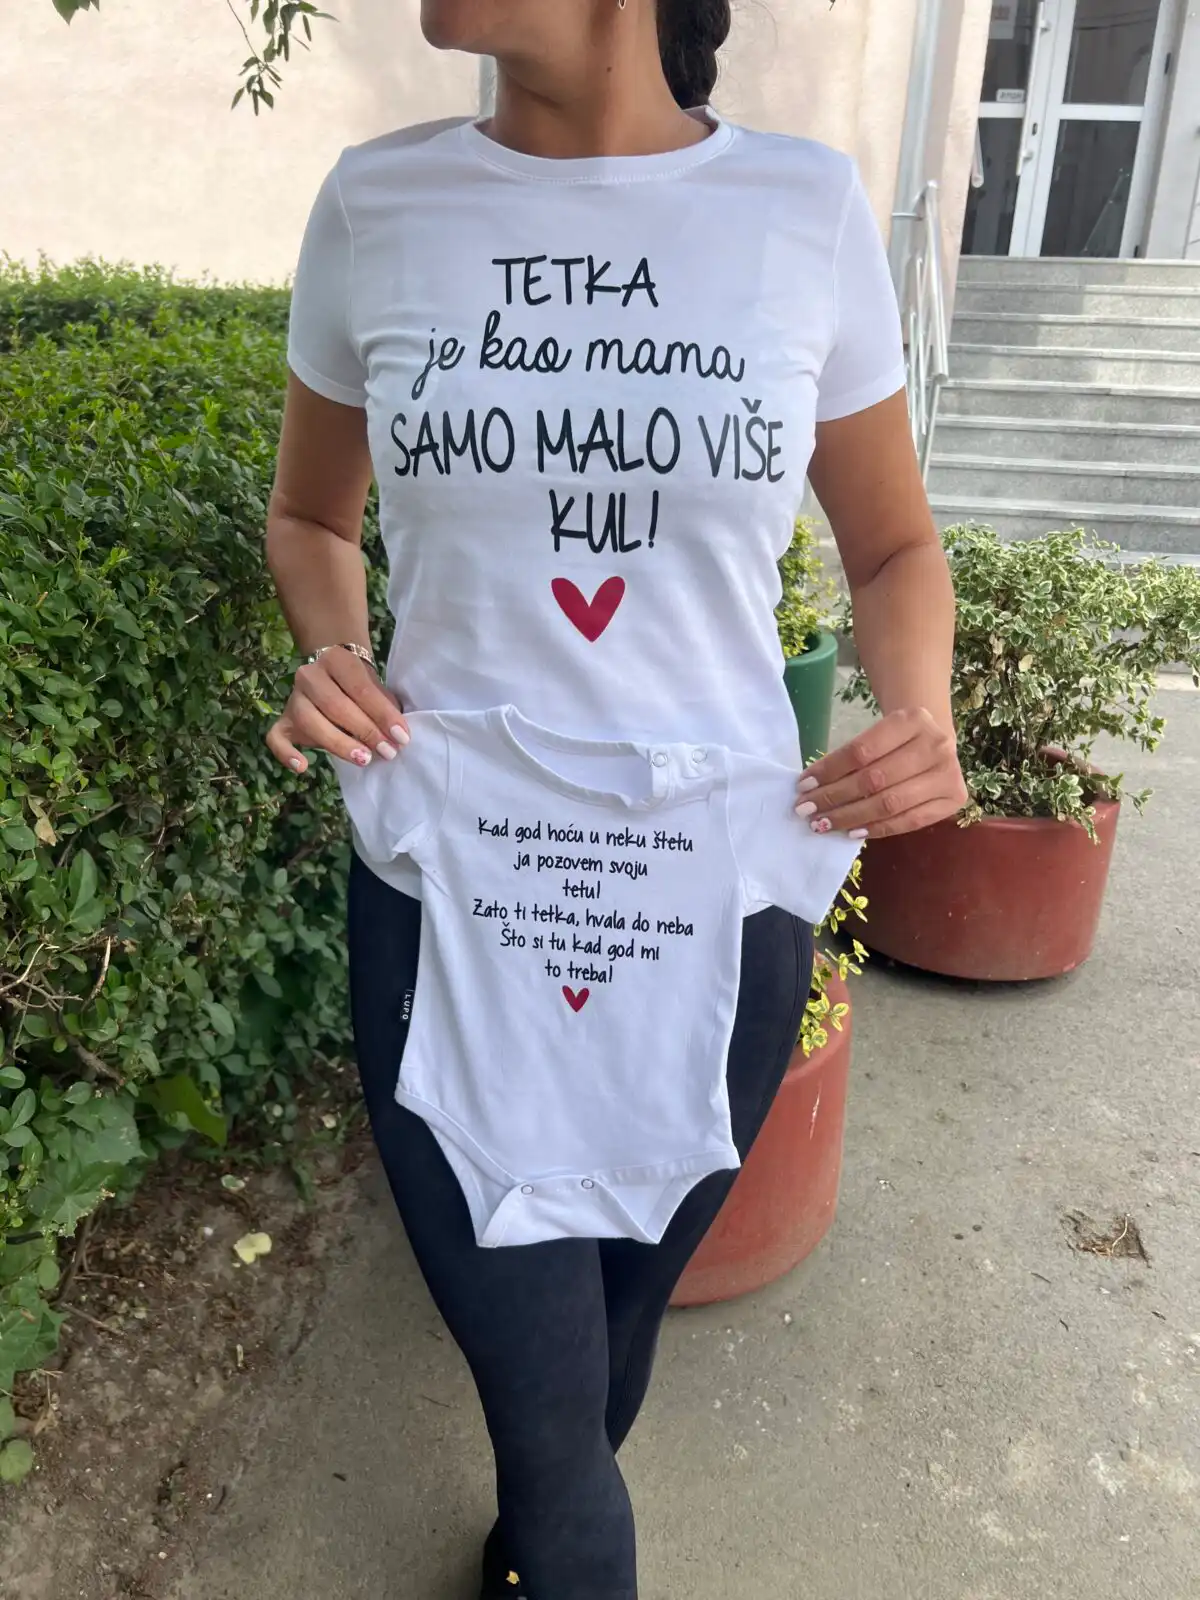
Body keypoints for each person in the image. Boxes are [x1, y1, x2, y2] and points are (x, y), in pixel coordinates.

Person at [265, 2, 967, 1595]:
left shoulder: (801, 208)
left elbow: (893, 549)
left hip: (717, 902)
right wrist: (338, 651)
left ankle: (530, 1545)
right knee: (547, 1410)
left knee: (609, 1336)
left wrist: (916, 712)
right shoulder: (379, 203)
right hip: (451, 893)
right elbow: (310, 517)